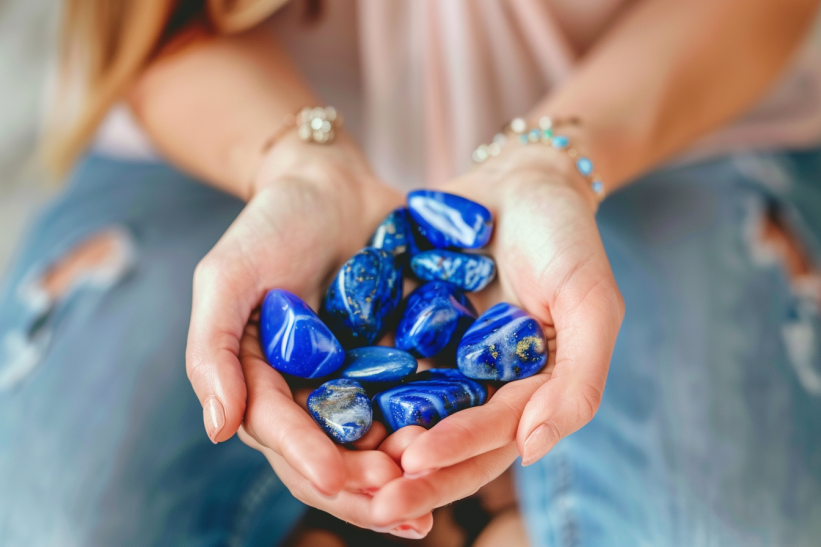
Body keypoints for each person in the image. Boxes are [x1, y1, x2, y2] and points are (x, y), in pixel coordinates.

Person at [2, 0, 821, 544]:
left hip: (677, 131)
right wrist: (295, 165)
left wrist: (552, 162)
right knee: (52, 522)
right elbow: (142, 24)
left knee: (717, 529)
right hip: (217, 146)